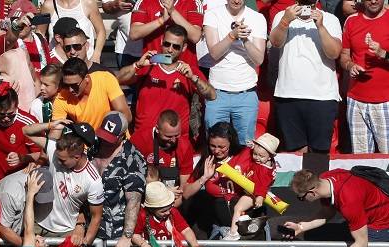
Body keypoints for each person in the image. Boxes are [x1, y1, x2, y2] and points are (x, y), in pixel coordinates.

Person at [23, 120, 104, 247]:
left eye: (63, 160)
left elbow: (96, 217)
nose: (58, 162)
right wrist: (51, 125)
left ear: (77, 157)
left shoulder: (93, 180)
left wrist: (85, 246)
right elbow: (26, 131)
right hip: (38, 226)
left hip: (66, 232)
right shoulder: (54, 149)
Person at [284, 168, 389, 247]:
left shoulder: (349, 201)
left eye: (301, 198)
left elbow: (361, 243)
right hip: (373, 213)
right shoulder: (325, 179)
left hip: (381, 224)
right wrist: (301, 227)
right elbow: (327, 213)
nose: (303, 201)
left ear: (312, 192)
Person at [117, 25, 216, 137]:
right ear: (161, 41)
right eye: (167, 44)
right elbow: (118, 80)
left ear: (184, 47)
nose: (170, 49)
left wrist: (193, 78)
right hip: (145, 137)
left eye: (176, 47)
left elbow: (212, 95)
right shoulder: (147, 64)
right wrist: (137, 65)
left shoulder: (188, 71)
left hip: (175, 140)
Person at [269, 1, 342, 153]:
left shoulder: (330, 19)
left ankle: (317, 177)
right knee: (295, 153)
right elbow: (275, 43)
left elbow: (334, 53)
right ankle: (298, 178)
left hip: (322, 97)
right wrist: (285, 21)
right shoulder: (282, 15)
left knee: (319, 154)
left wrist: (320, 26)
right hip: (288, 95)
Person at [202, 0, 267, 143]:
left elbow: (259, 59)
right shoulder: (212, 15)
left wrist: (245, 40)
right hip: (217, 93)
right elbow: (214, 53)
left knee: (245, 146)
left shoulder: (257, 18)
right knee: (215, 145)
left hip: (246, 93)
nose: (237, 1)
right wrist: (232, 36)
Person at [92, 111, 146, 247]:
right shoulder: (93, 148)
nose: (105, 141)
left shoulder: (132, 158)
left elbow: (134, 200)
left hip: (116, 234)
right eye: (103, 136)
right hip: (90, 232)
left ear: (122, 136)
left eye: (110, 139)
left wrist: (127, 236)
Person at [339, 0, 389, 153]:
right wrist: (350, 66)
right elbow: (344, 56)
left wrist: (383, 54)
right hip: (356, 100)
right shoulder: (352, 21)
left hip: (385, 101)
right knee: (361, 160)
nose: (373, 1)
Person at [132, 110, 195, 206]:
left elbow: (183, 187)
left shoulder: (184, 145)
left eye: (177, 135)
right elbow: (133, 178)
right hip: (145, 197)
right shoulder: (140, 140)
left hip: (174, 200)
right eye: (168, 136)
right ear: (157, 129)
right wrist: (163, 192)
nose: (173, 140)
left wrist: (169, 207)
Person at [52, 57, 131, 133]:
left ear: (86, 78)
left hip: (114, 137)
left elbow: (126, 115)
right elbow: (55, 131)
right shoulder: (61, 97)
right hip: (89, 143)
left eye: (74, 85)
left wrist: (106, 137)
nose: (70, 90)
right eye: (66, 85)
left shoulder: (105, 78)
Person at [133, 181, 203, 247]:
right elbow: (135, 235)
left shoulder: (173, 212)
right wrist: (144, 245)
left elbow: (186, 230)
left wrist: (194, 245)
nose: (167, 212)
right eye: (163, 211)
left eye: (169, 208)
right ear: (152, 209)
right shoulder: (142, 215)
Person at [226, 133, 279, 241]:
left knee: (238, 208)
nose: (257, 158)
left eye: (261, 156)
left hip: (254, 193)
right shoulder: (266, 162)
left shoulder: (264, 170)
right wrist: (252, 146)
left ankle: (233, 233)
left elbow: (262, 184)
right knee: (240, 209)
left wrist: (259, 196)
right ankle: (243, 219)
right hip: (252, 191)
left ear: (270, 156)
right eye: (255, 154)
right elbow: (257, 152)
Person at [0, 87, 41, 184]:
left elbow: (43, 154)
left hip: (18, 183)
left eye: (11, 114)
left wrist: (24, 158)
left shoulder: (28, 124)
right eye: (1, 114)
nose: (6, 118)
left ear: (16, 106)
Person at [128, 0, 204, 65]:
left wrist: (173, 11)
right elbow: (134, 34)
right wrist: (161, 20)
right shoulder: (144, 1)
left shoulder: (193, 2)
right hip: (154, 64)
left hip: (183, 67)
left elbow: (195, 36)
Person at [41, 0, 106, 64]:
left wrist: (96, 55)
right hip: (57, 62)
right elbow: (40, 33)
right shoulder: (49, 5)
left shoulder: (88, 3)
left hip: (85, 61)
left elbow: (101, 31)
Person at [0, 2, 52, 73]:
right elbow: (9, 39)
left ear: (33, 24)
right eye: (14, 21)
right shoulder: (4, 39)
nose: (20, 25)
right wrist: (16, 26)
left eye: (24, 22)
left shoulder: (41, 40)